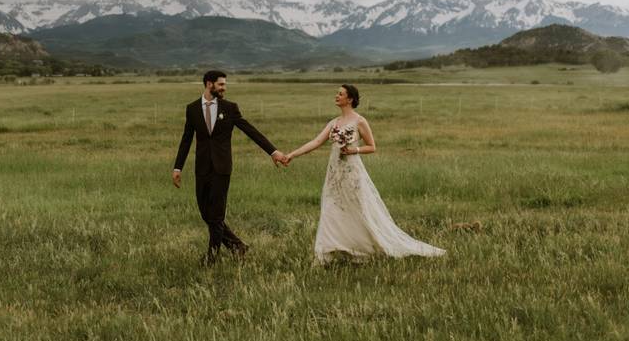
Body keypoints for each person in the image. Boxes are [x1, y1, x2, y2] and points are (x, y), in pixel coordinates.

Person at [284, 84, 445, 263]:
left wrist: (355, 150)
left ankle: (364, 248)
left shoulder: (359, 121)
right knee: (331, 208)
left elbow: (372, 146)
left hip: (352, 171)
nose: (336, 96)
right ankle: (326, 254)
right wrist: (292, 154)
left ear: (350, 99)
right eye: (337, 94)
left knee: (358, 209)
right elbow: (315, 142)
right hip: (334, 172)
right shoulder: (334, 122)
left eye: (340, 94)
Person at [172, 70, 287, 264]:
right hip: (201, 168)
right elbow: (186, 139)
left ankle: (212, 257)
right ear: (209, 84)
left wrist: (273, 151)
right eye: (221, 85)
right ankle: (238, 246)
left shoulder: (230, 108)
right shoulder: (192, 109)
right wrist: (177, 167)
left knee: (216, 214)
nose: (224, 88)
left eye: (225, 85)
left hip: (221, 168)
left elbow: (250, 130)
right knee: (205, 213)